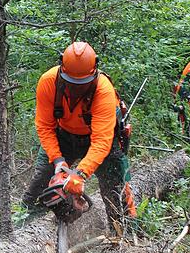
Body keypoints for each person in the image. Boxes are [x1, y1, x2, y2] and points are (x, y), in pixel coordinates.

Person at [22, 41, 136, 234]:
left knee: (115, 189)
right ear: (62, 69)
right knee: (38, 187)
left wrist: (80, 174)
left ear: (94, 72)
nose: (76, 89)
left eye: (81, 85)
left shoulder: (103, 90)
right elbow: (45, 126)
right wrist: (57, 160)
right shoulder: (49, 81)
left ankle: (126, 236)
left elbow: (101, 141)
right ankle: (23, 234)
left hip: (98, 140)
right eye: (71, 84)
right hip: (63, 136)